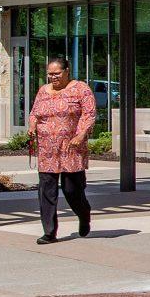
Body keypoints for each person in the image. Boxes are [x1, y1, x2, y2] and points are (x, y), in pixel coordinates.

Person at [26, 56, 97, 243]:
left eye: (56, 73)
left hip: (71, 148)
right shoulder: (43, 91)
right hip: (47, 149)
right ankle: (49, 232)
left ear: (67, 71)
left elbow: (89, 114)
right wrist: (32, 126)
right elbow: (34, 113)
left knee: (71, 190)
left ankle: (84, 213)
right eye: (49, 74)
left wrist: (81, 135)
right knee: (46, 190)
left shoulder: (81, 89)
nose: (53, 77)